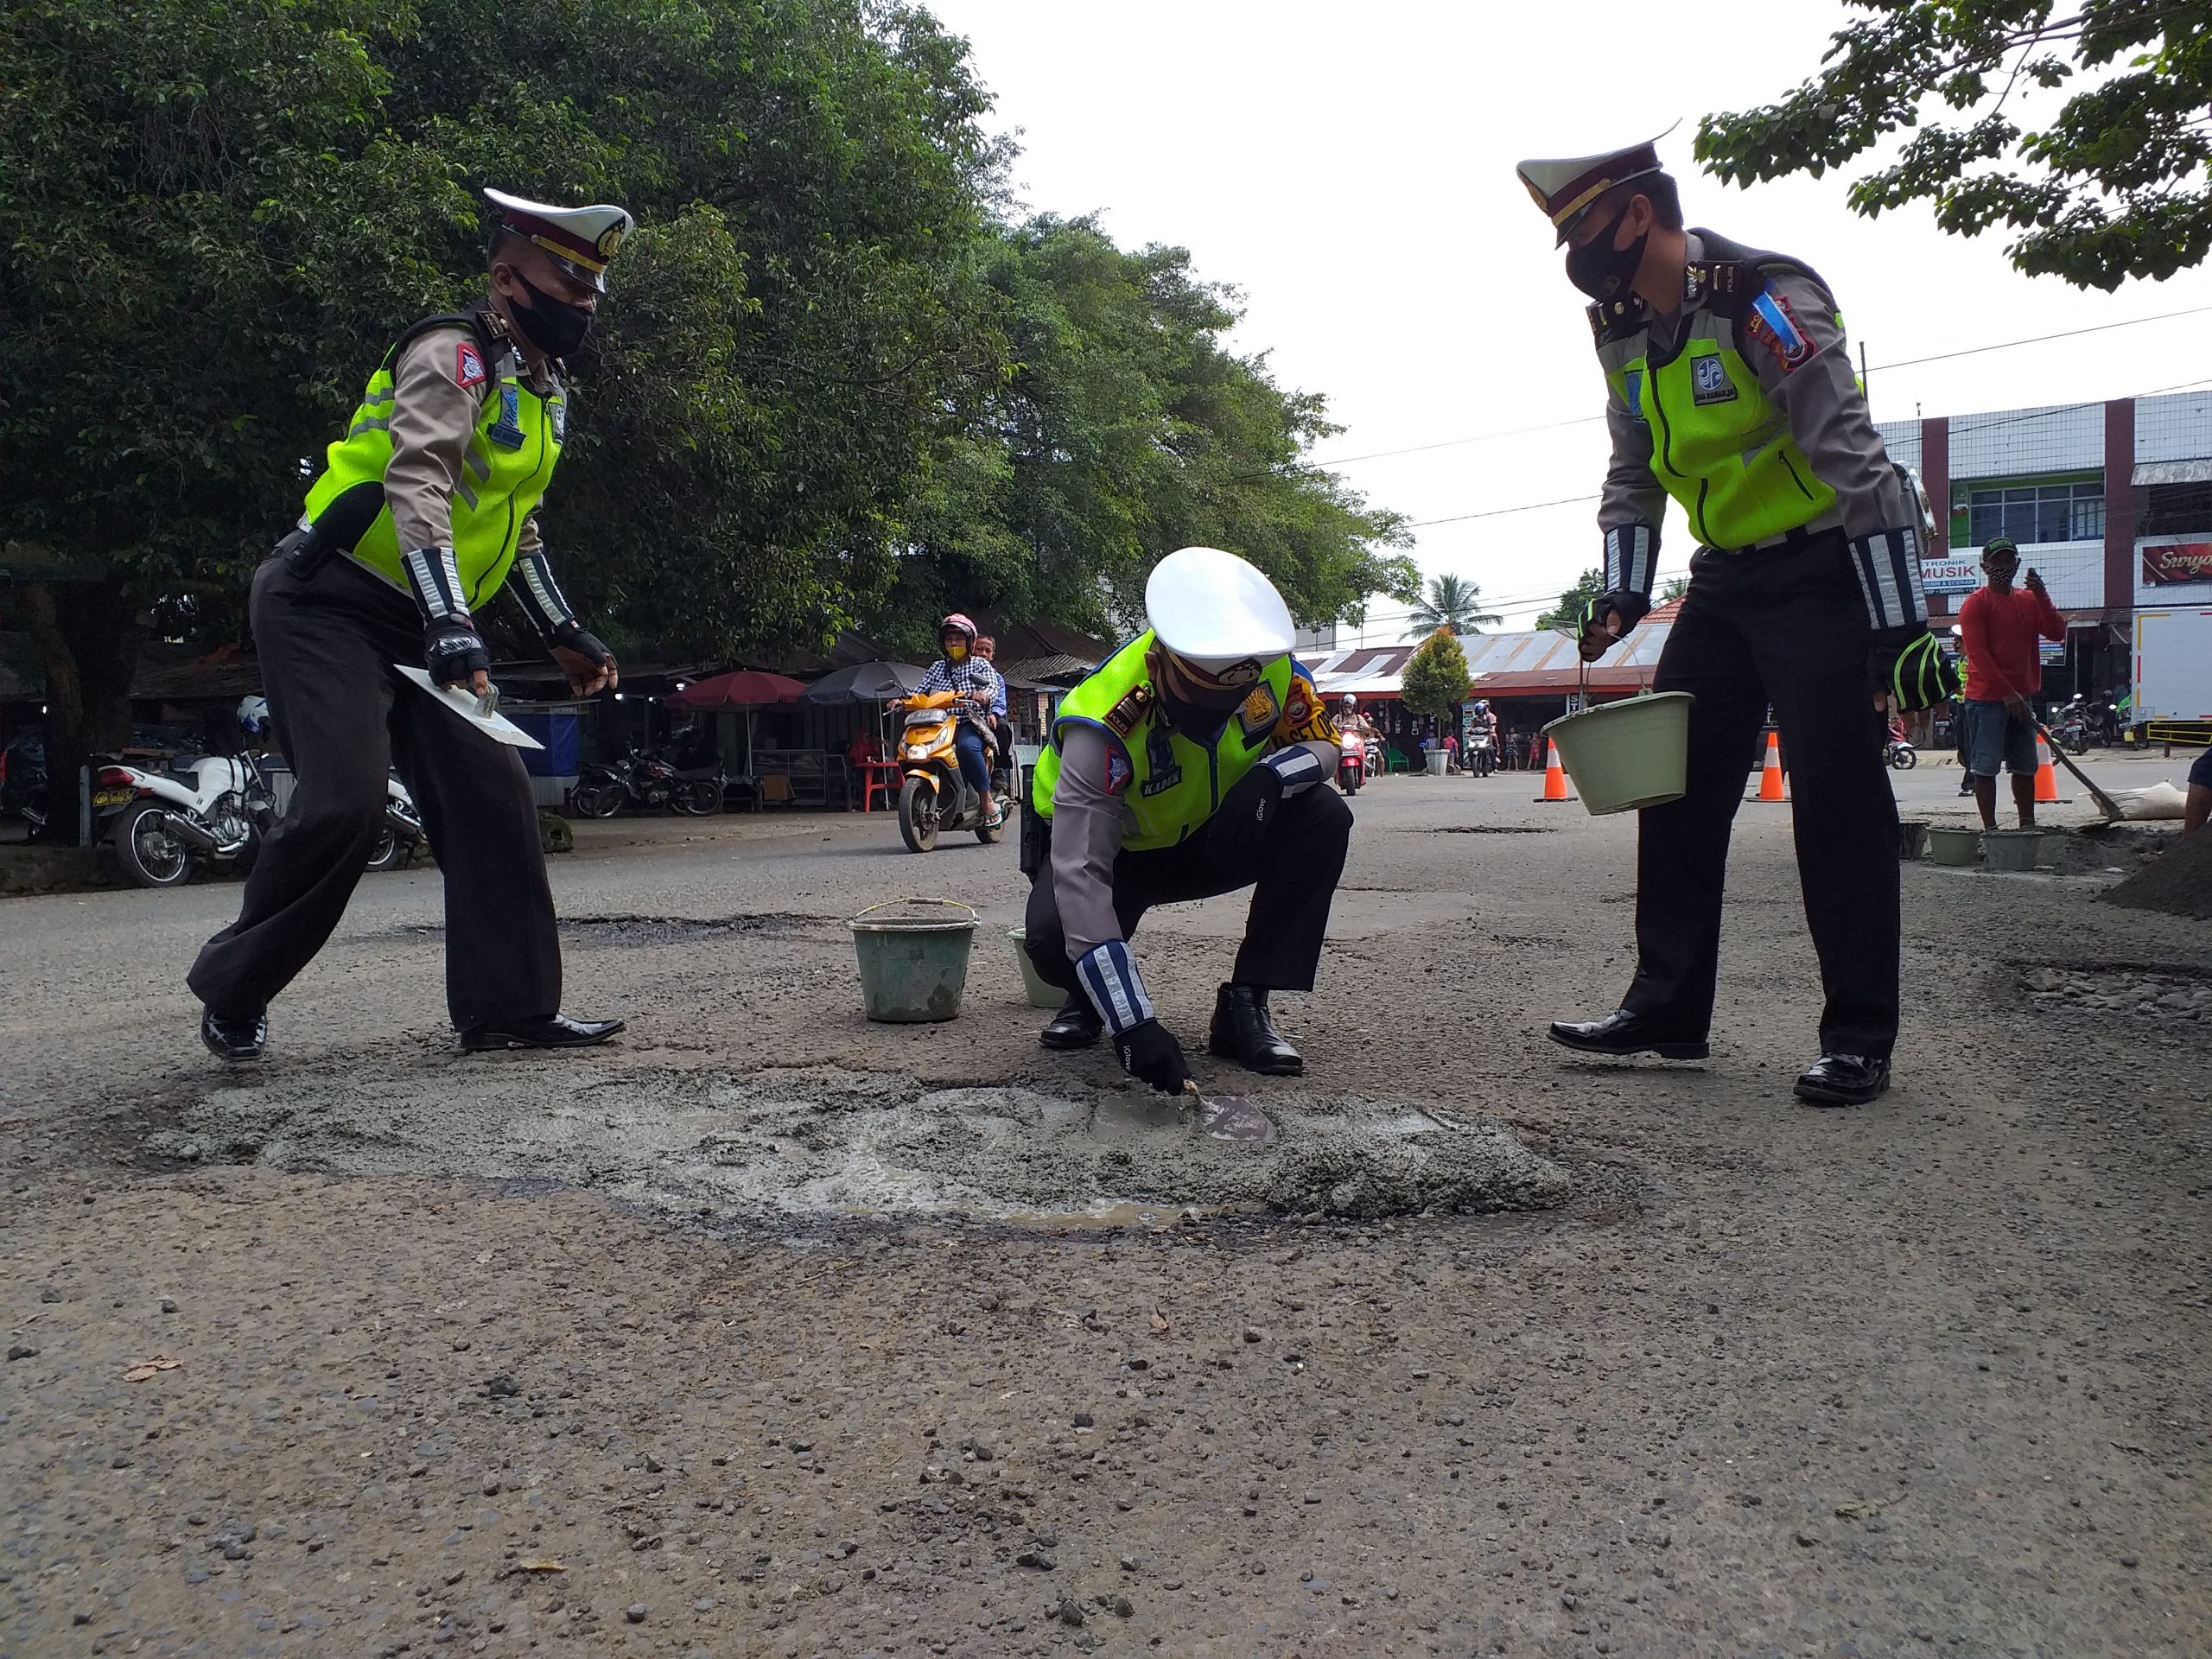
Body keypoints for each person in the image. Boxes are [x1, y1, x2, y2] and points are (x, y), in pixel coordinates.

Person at [1516, 133, 1956, 1107]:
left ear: (1639, 214)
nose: (1576, 256)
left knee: (1835, 798)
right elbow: (1633, 469)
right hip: (1721, 581)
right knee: (1676, 785)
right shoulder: (1619, 327)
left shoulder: (1762, 297)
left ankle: (1856, 1038)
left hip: (1820, 570)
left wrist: (1901, 625)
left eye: (1584, 228)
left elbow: (1854, 458)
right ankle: (1667, 1008)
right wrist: (1623, 591)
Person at [189, 188, 633, 1063]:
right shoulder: (452, 353)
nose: (582, 304)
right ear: (507, 278)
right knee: (344, 803)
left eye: (592, 292)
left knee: (493, 795)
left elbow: (514, 521)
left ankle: (507, 1009)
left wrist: (563, 629)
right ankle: (234, 989)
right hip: (325, 600)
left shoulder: (543, 391)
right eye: (566, 283)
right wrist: (450, 620)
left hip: (423, 615)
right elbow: (417, 483)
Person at [1021, 546, 1351, 1089]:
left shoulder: (1271, 670)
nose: (1214, 720)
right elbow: (1081, 873)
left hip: (1210, 838)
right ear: (1161, 664)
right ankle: (1091, 998)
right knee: (1056, 942)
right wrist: (1135, 1027)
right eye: (1200, 704)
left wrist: (1272, 779)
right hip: (1115, 856)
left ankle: (1246, 1004)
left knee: (1322, 816)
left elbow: (1324, 745)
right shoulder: (1101, 722)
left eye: (1233, 701)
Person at [1956, 537, 2065, 831]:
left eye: (2008, 560)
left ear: (2016, 564)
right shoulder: (1975, 605)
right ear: (1984, 566)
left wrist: (2042, 593)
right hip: (1985, 699)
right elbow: (1978, 654)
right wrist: (2007, 693)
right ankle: (1991, 830)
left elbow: (2057, 632)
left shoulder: (2028, 601)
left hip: (2022, 697)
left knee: (2025, 766)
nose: (2003, 566)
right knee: (1985, 767)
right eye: (1997, 561)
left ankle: (2026, 826)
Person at [913, 613, 1002, 824]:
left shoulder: (980, 665)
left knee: (967, 748)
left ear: (969, 642)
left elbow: (992, 685)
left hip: (969, 723)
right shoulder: (937, 668)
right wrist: (902, 700)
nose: (953, 643)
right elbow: (919, 691)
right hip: (938, 724)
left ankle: (986, 800)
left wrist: (984, 695)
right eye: (949, 639)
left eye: (959, 639)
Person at [972, 633, 1015, 768]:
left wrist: (994, 715)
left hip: (987, 717)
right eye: (979, 649)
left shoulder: (997, 678)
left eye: (988, 651)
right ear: (971, 649)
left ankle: (999, 769)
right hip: (963, 715)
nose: (983, 654)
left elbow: (1000, 702)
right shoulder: (961, 672)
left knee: (1002, 728)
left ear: (992, 655)